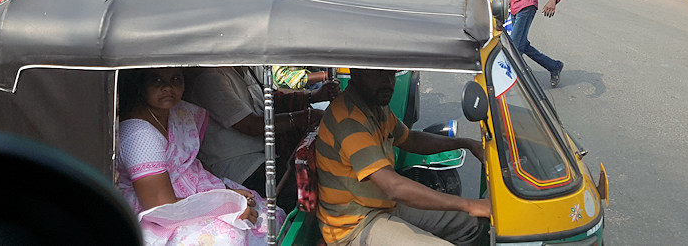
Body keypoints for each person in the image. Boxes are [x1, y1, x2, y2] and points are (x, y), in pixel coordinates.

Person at [315, 69, 488, 245]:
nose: (388, 82)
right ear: (356, 73)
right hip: (354, 224)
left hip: (383, 204)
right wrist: (468, 204)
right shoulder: (349, 120)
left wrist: (466, 143)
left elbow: (411, 139)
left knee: (471, 223)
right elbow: (394, 186)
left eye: (391, 74)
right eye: (379, 74)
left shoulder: (375, 106)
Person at [116, 68, 274, 244]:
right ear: (140, 85)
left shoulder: (178, 113)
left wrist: (226, 191)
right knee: (231, 237)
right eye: (157, 81)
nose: (168, 87)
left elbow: (191, 163)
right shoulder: (139, 135)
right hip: (165, 217)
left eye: (176, 79)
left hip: (195, 195)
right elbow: (163, 210)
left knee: (268, 215)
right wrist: (227, 204)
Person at [187, 66, 338, 212]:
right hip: (239, 167)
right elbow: (251, 125)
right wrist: (305, 117)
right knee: (307, 189)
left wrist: (315, 95)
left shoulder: (251, 68)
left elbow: (272, 98)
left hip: (267, 154)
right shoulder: (210, 79)